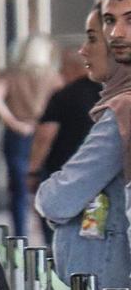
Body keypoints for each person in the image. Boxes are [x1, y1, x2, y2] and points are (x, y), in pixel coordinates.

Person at [38, 0, 131, 290]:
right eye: (106, 25)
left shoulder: (120, 114)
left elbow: (57, 199)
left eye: (95, 37)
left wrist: (45, 188)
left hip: (109, 282)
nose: (86, 48)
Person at [0, 34, 62, 237]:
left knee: (19, 189)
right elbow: (63, 103)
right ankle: (48, 236)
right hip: (44, 135)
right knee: (45, 186)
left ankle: (21, 236)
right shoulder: (52, 77)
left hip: (17, 135)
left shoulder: (11, 74)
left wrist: (12, 121)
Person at [30, 46, 101, 190]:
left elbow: (45, 135)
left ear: (72, 67)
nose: (60, 72)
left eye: (62, 67)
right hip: (101, 171)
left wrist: (33, 171)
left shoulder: (63, 96)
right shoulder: (109, 93)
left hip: (64, 171)